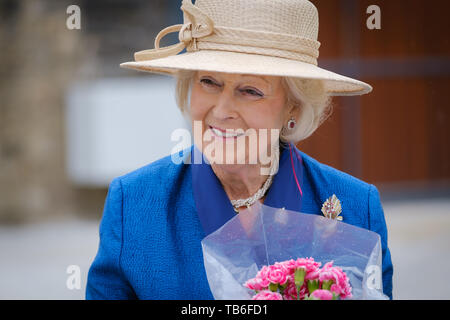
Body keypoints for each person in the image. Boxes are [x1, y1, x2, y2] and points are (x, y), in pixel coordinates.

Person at [86, 0, 393, 299]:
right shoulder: (134, 204)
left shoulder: (357, 207)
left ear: (293, 108)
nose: (222, 111)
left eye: (250, 91)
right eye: (209, 81)